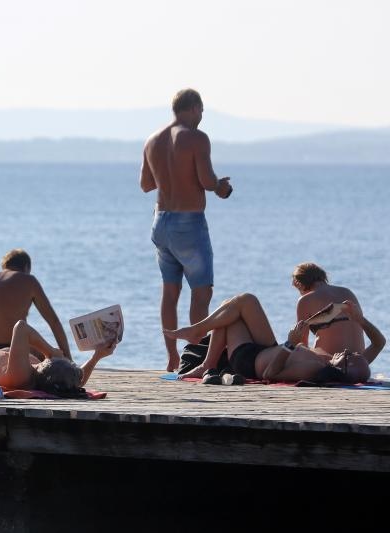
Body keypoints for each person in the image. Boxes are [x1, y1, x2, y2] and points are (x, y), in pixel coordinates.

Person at [140, 88, 234, 372]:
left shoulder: (152, 140)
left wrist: (171, 177)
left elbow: (145, 184)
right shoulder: (196, 138)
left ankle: (171, 356)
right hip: (188, 222)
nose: (202, 117)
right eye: (202, 111)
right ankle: (193, 356)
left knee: (170, 292)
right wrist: (221, 187)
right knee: (201, 292)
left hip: (161, 221)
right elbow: (206, 180)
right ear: (193, 108)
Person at [165, 293, 384, 384]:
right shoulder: (331, 362)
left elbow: (270, 374)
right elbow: (380, 343)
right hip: (267, 347)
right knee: (244, 302)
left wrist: (290, 343)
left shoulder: (312, 370)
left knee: (230, 313)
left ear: (344, 371)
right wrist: (360, 320)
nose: (347, 351)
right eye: (352, 352)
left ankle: (206, 358)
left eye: (348, 357)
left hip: (249, 360)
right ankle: (200, 339)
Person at [0, 320, 115, 395]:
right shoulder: (39, 374)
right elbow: (76, 383)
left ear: (48, 363)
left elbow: (20, 327)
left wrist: (50, 351)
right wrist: (96, 356)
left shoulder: (20, 375)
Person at [0, 249, 72, 360]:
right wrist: (68, 358)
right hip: (10, 346)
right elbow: (54, 322)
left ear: (5, 266)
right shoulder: (29, 280)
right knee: (52, 356)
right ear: (27, 267)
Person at [293, 262, 365, 355]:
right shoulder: (347, 292)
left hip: (331, 363)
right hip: (360, 360)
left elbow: (301, 344)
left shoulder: (305, 300)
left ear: (300, 284)